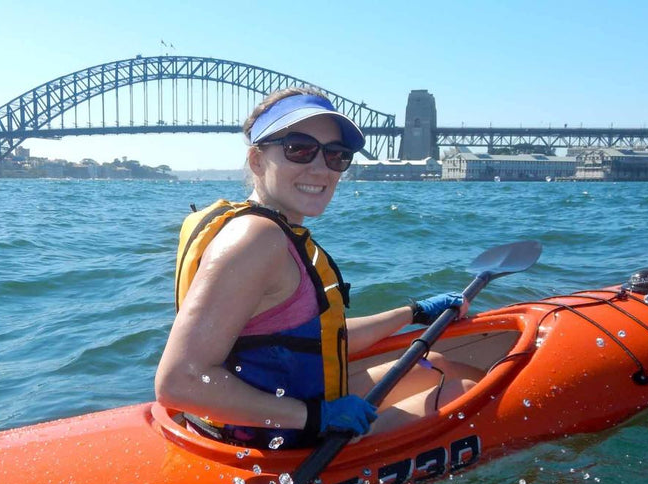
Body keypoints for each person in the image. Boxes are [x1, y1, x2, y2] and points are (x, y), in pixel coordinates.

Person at [155, 87, 483, 449]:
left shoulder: (270, 230)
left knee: (437, 362)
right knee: (465, 392)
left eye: (336, 156)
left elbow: (317, 339)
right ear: (257, 161)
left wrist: (414, 312)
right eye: (299, 149)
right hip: (280, 442)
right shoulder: (257, 238)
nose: (320, 167)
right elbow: (178, 383)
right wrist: (317, 418)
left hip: (274, 418)